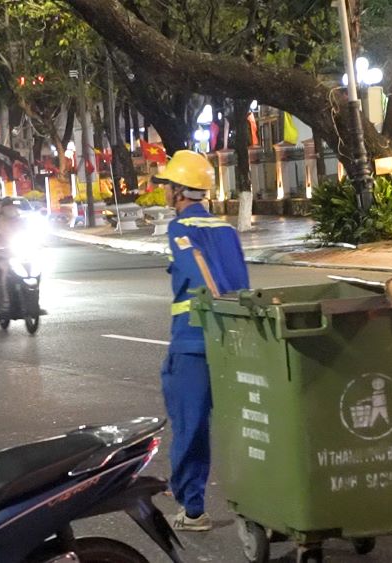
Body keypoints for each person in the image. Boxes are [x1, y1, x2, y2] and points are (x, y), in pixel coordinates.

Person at [154, 150, 249, 532]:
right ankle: (265, 505)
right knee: (252, 423)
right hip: (234, 340)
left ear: (179, 191)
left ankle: (192, 509)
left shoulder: (179, 228)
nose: (164, 191)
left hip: (193, 342)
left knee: (190, 425)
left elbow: (197, 270)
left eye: (167, 185)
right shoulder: (227, 230)